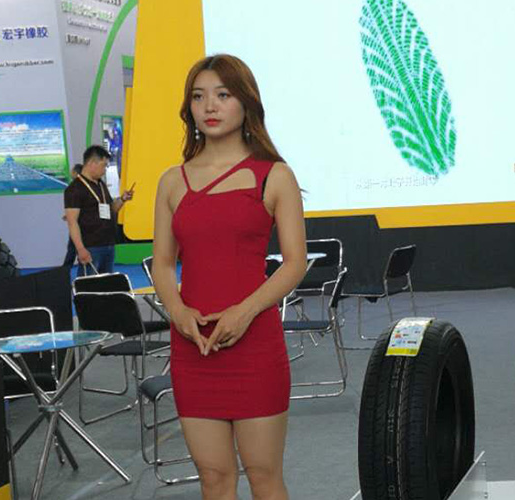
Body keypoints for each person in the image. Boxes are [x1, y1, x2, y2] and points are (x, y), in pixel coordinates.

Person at [152, 54, 307, 500]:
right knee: (214, 478)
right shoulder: (172, 182)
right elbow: (163, 263)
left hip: (254, 343)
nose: (210, 106)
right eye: (198, 96)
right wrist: (178, 312)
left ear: (246, 103)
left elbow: (294, 262)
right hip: (193, 346)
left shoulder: (274, 175)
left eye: (223, 94)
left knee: (263, 475)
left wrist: (244, 311)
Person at [63, 146, 134, 275]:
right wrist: (81, 249)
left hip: (108, 244)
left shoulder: (101, 184)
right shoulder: (74, 189)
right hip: (91, 247)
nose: (105, 170)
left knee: (106, 283)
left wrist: (122, 199)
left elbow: (111, 209)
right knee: (90, 284)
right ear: (92, 163)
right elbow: (72, 222)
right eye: (104, 165)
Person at [62, 164, 84, 267]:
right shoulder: (84, 187)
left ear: (75, 173)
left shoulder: (74, 188)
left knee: (72, 249)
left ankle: (65, 270)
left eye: (72, 171)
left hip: (79, 224)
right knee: (74, 248)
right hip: (81, 223)